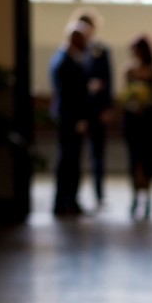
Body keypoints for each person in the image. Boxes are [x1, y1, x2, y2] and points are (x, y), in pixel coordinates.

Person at [49, 22, 89, 217]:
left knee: (71, 161)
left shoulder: (69, 58)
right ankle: (64, 202)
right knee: (68, 162)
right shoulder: (65, 61)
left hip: (70, 117)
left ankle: (70, 200)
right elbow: (69, 94)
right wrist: (78, 119)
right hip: (70, 119)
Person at [122, 35, 152, 220]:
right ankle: (135, 196)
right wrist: (133, 104)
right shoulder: (129, 71)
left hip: (150, 121)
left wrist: (146, 103)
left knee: (149, 160)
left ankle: (148, 198)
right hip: (133, 121)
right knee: (134, 160)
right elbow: (124, 95)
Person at [76, 10, 113, 211]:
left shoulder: (101, 50)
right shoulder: (75, 49)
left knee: (98, 155)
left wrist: (107, 107)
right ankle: (75, 194)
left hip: (98, 110)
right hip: (81, 110)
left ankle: (99, 194)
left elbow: (108, 81)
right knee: (76, 154)